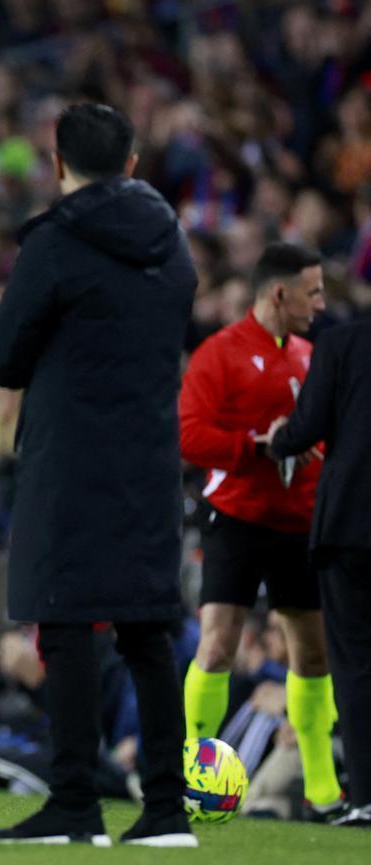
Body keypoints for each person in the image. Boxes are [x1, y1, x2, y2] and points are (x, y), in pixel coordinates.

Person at [0, 103, 198, 847]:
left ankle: (75, 801)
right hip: (149, 459)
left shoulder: (56, 243)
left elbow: (4, 356)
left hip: (69, 458)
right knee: (147, 628)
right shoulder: (174, 246)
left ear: (57, 163)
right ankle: (168, 810)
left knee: (66, 622)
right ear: (132, 164)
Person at [179, 243, 344, 821]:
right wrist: (258, 446)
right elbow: (190, 436)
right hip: (237, 516)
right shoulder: (218, 355)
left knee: (313, 655)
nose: (321, 304)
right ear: (280, 293)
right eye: (313, 291)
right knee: (219, 642)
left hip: (300, 520)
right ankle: (201, 781)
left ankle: (324, 792)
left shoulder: (312, 355)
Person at [263, 316, 371, 828]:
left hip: (352, 525)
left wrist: (281, 438)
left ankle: (367, 798)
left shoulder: (345, 341)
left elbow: (307, 426)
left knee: (354, 664)